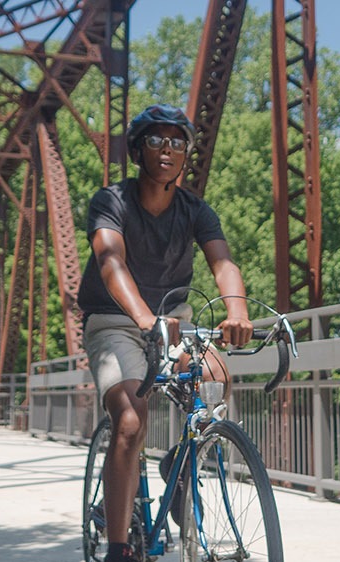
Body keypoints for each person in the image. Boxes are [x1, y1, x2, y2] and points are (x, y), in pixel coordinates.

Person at [77, 103, 254, 562]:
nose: (167, 150)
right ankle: (119, 548)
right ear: (138, 150)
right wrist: (142, 319)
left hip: (173, 318)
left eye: (177, 142)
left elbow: (223, 262)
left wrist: (236, 310)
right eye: (155, 140)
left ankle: (180, 462)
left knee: (215, 379)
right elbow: (109, 262)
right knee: (131, 421)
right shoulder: (111, 201)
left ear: (186, 154)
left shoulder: (195, 209)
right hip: (116, 320)